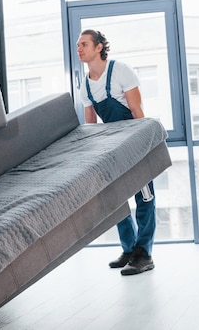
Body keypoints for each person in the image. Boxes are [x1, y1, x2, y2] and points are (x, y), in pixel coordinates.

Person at [77, 29, 157, 276]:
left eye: (84, 44)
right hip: (111, 150)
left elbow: (137, 110)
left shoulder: (120, 71)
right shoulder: (86, 86)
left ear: (99, 47)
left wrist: (146, 148)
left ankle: (143, 253)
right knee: (116, 200)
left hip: (134, 143)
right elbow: (91, 126)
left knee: (144, 198)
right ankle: (129, 249)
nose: (79, 48)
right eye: (78, 45)